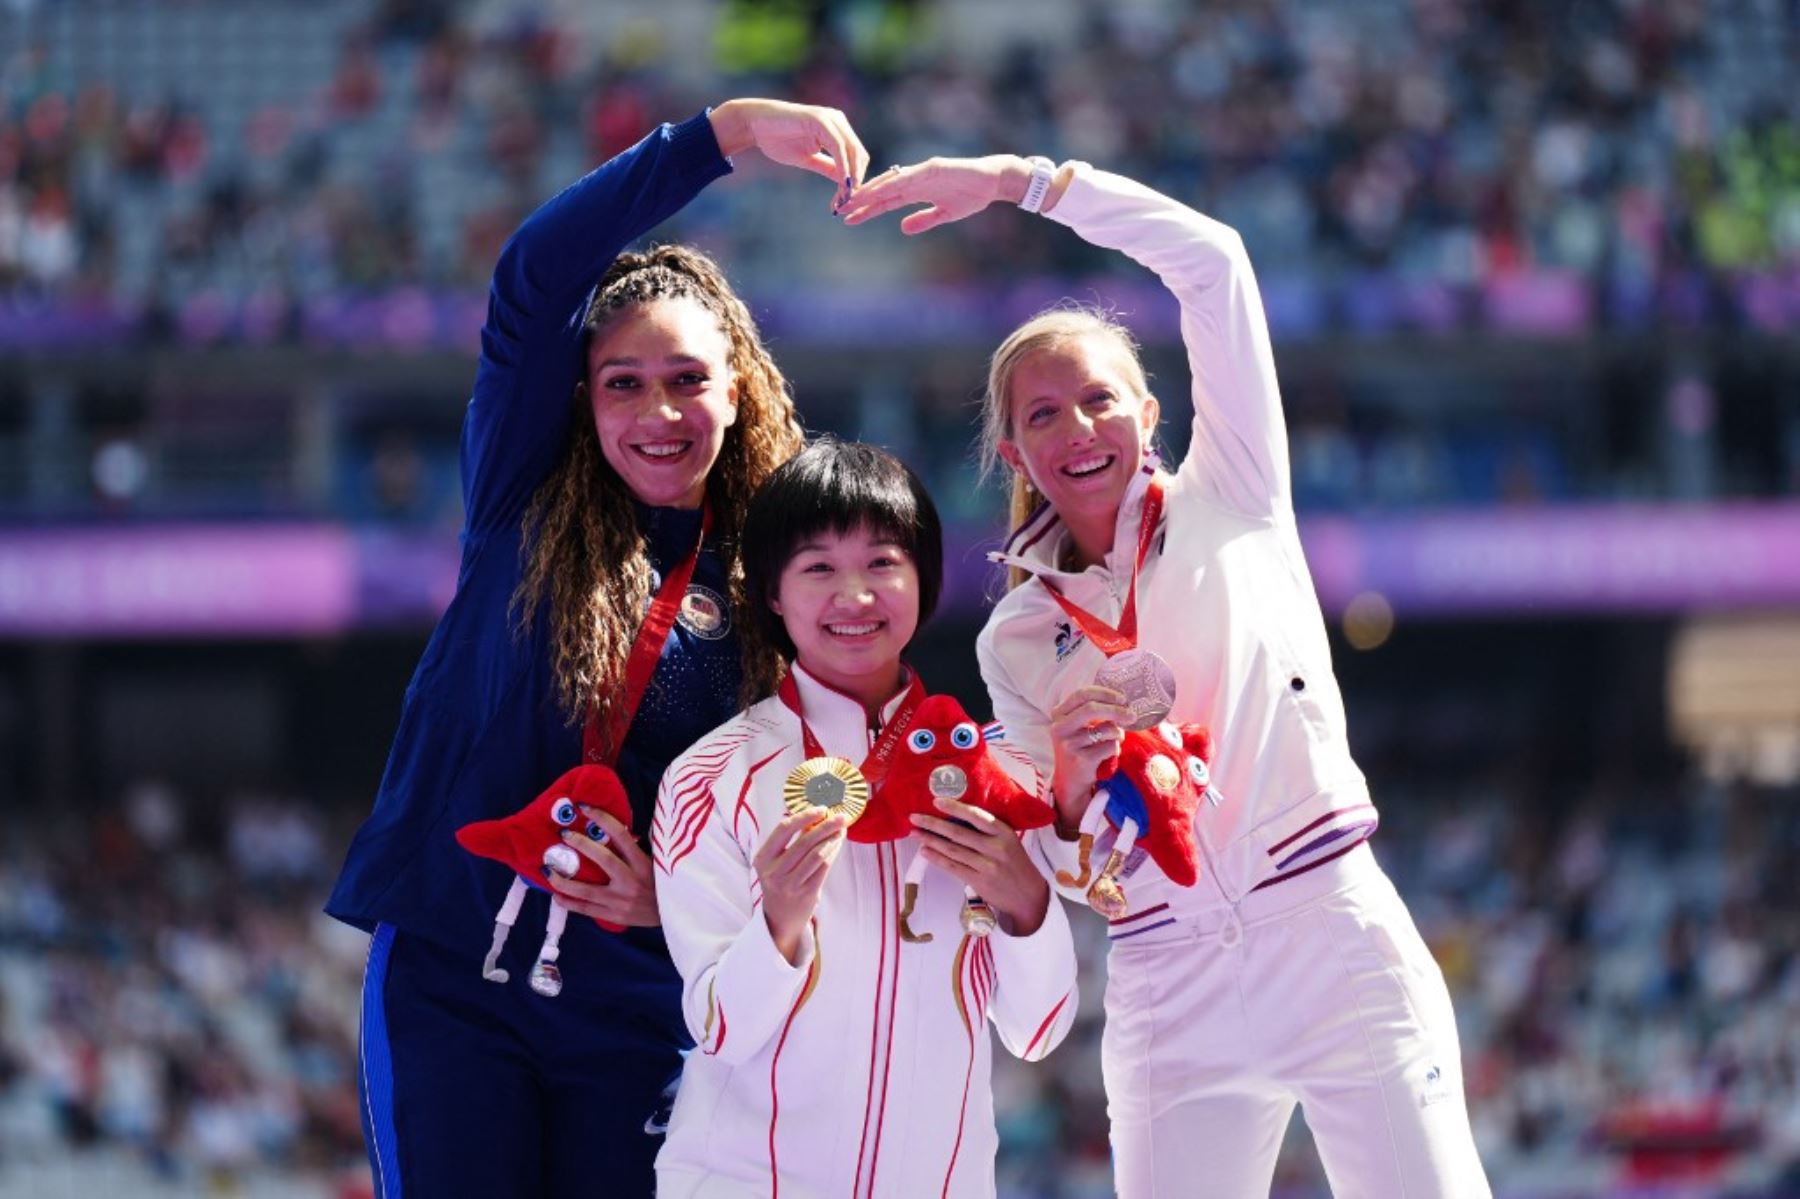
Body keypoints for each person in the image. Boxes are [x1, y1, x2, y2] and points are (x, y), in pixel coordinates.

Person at [843, 160, 1493, 1195]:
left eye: (1099, 399)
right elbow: (1062, 862)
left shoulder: (1235, 487)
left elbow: (1215, 262)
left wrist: (1021, 183)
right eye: (1044, 414)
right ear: (1015, 449)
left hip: (1326, 928)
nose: (1077, 427)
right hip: (1164, 969)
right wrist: (1061, 780)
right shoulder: (1014, 632)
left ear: (1150, 414)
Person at [325, 99, 869, 1197]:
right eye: (623, 382)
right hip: (450, 986)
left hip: (638, 1005)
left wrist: (668, 901)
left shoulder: (780, 574)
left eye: (687, 381)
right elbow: (531, 275)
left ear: (740, 389)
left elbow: (817, 798)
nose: (657, 410)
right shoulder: (521, 493)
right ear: (581, 398)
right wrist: (714, 139)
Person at [652, 440, 1078, 1198]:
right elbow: (718, 1027)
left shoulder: (994, 776)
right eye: (818, 567)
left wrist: (1026, 900)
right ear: (774, 594)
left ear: (924, 580)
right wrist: (778, 923)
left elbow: (1038, 1030)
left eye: (883, 562)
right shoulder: (710, 779)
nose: (855, 594)